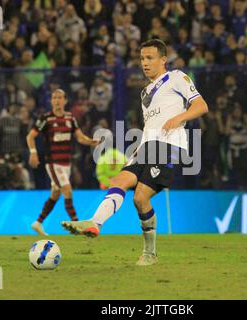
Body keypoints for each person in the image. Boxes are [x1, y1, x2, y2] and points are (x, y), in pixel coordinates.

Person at [62, 39, 209, 266]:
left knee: (141, 197)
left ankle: (150, 254)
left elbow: (201, 106)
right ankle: (95, 223)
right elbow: (151, 125)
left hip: (169, 146)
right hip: (147, 145)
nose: (145, 63)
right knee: (119, 180)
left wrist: (178, 118)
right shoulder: (145, 92)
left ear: (163, 60)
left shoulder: (177, 77)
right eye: (142, 58)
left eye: (150, 58)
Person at [27, 89, 100, 235]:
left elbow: (79, 137)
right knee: (67, 190)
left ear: (65, 101)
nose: (57, 100)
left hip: (66, 163)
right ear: (51, 101)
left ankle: (38, 222)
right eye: (54, 97)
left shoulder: (70, 118)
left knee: (55, 194)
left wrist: (91, 142)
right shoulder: (46, 119)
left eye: (60, 97)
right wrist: (33, 153)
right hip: (53, 163)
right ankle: (77, 225)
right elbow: (30, 136)